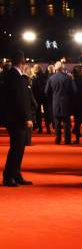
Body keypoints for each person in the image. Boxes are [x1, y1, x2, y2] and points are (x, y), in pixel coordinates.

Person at [2, 50, 34, 187]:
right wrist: (27, 117)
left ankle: (15, 174)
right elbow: (19, 100)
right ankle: (9, 176)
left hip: (14, 117)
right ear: (22, 62)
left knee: (19, 148)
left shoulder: (13, 75)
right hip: (16, 118)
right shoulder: (15, 76)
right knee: (16, 148)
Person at [45, 60, 74, 144]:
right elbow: (73, 91)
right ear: (62, 68)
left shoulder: (51, 78)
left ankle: (58, 139)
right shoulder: (67, 77)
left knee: (57, 122)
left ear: (55, 68)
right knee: (66, 122)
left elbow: (46, 91)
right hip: (66, 102)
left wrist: (53, 97)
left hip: (55, 102)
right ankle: (67, 140)